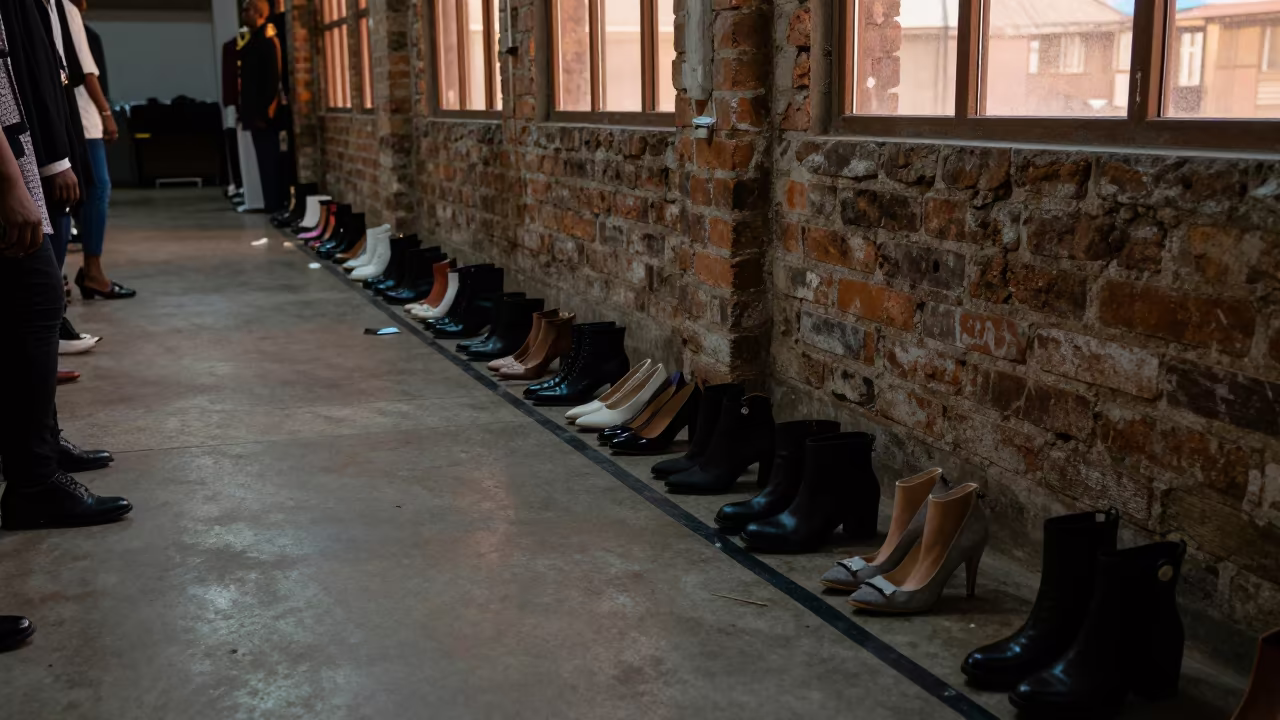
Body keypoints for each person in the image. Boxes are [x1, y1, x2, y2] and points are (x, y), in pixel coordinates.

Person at [0, 3, 130, 653]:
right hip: (15, 162)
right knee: (31, 309)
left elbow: (29, 70)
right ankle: (33, 476)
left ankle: (38, 462)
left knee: (34, 309)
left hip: (25, 152)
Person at [63, 0, 132, 299]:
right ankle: (92, 272)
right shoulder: (67, 10)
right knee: (96, 189)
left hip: (74, 117)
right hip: (83, 118)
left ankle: (87, 271)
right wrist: (107, 114)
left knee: (83, 193)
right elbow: (87, 73)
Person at [239, 0, 287, 214]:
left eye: (247, 10)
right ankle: (271, 203)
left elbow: (271, 79)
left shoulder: (266, 41)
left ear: (258, 13)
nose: (243, 14)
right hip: (255, 112)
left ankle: (276, 204)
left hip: (265, 115)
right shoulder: (254, 40)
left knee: (271, 161)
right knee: (264, 161)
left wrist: (266, 110)